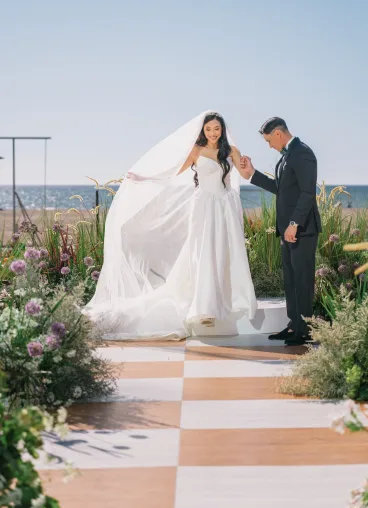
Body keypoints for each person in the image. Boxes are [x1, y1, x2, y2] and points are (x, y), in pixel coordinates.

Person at [83, 111, 257, 340]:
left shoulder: (231, 151)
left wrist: (248, 166)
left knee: (223, 254)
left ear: (222, 129)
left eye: (216, 128)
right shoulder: (196, 151)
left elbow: (244, 174)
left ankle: (222, 302)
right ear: (202, 131)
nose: (213, 133)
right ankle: (204, 308)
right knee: (202, 252)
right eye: (208, 129)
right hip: (204, 207)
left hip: (224, 209)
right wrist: (144, 178)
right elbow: (174, 172)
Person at [240, 117, 321, 346]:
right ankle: (294, 324)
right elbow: (280, 189)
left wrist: (294, 223)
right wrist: (253, 174)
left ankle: (305, 330)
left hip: (302, 230)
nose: (269, 146)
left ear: (277, 133)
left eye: (268, 141)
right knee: (291, 280)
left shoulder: (302, 153)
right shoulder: (287, 155)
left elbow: (307, 193)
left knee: (303, 279)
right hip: (287, 230)